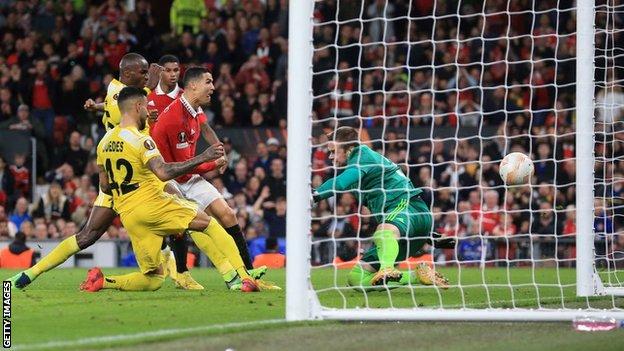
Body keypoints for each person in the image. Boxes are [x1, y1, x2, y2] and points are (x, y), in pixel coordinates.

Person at [79, 86, 258, 292]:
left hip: (129, 215)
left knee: (154, 279)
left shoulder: (104, 142)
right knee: (209, 224)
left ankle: (103, 281)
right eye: (146, 107)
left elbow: (104, 185)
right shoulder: (142, 139)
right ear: (138, 107)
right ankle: (244, 277)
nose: (149, 111)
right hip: (151, 205)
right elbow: (163, 172)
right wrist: (204, 157)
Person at [8, 53, 162, 290]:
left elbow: (116, 105)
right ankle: (220, 273)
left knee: (87, 235)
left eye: (146, 73)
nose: (145, 76)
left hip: (118, 176)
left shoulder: (114, 90)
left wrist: (96, 107)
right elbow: (137, 118)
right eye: (141, 72)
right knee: (186, 217)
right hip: (136, 178)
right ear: (128, 73)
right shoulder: (124, 95)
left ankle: (29, 274)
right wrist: (151, 85)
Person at [152, 67, 276, 290]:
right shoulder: (173, 119)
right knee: (194, 223)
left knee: (227, 213)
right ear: (193, 86)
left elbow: (205, 129)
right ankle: (211, 274)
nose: (213, 87)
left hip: (187, 174)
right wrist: (212, 162)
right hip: (167, 177)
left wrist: (219, 150)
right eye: (208, 82)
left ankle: (249, 273)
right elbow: (184, 168)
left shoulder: (194, 109)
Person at [312, 127, 451, 290]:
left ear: (348, 148)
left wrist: (314, 195)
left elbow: (341, 183)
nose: (331, 157)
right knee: (356, 278)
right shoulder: (358, 167)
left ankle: (387, 268)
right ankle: (417, 276)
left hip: (407, 207)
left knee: (383, 232)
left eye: (334, 151)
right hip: (405, 227)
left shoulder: (361, 156)